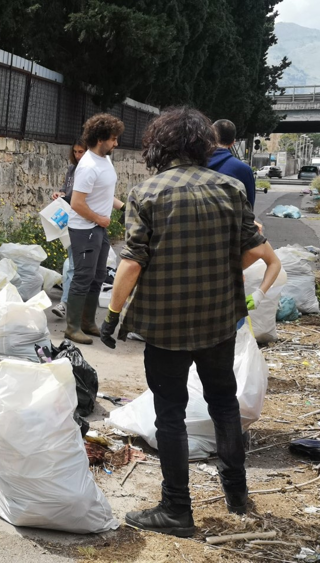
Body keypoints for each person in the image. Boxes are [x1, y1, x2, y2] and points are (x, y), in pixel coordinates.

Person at [100, 107, 281, 537]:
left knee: (171, 415)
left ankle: (177, 509)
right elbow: (254, 252)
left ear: (158, 146)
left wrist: (111, 317)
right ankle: (237, 495)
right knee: (224, 406)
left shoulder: (147, 192)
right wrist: (220, 268)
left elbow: (131, 264)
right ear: (203, 144)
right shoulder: (231, 188)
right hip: (220, 321)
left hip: (165, 326)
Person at [64, 114, 126, 344]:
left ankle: (88, 322)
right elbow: (77, 203)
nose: (116, 143)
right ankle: (72, 327)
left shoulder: (105, 161)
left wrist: (123, 207)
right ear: (100, 139)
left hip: (98, 228)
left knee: (99, 275)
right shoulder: (88, 166)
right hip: (85, 229)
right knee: (83, 276)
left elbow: (105, 194)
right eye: (113, 139)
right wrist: (99, 219)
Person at [50, 139, 87, 318]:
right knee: (73, 265)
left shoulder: (90, 171)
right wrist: (60, 194)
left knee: (82, 267)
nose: (78, 156)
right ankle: (66, 304)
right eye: (75, 152)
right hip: (71, 222)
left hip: (88, 223)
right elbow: (67, 191)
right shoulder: (72, 170)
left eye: (81, 152)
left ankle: (78, 305)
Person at [208, 119, 256, 208]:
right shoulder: (243, 170)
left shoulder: (194, 164)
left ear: (211, 138)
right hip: (232, 221)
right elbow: (248, 207)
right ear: (233, 143)